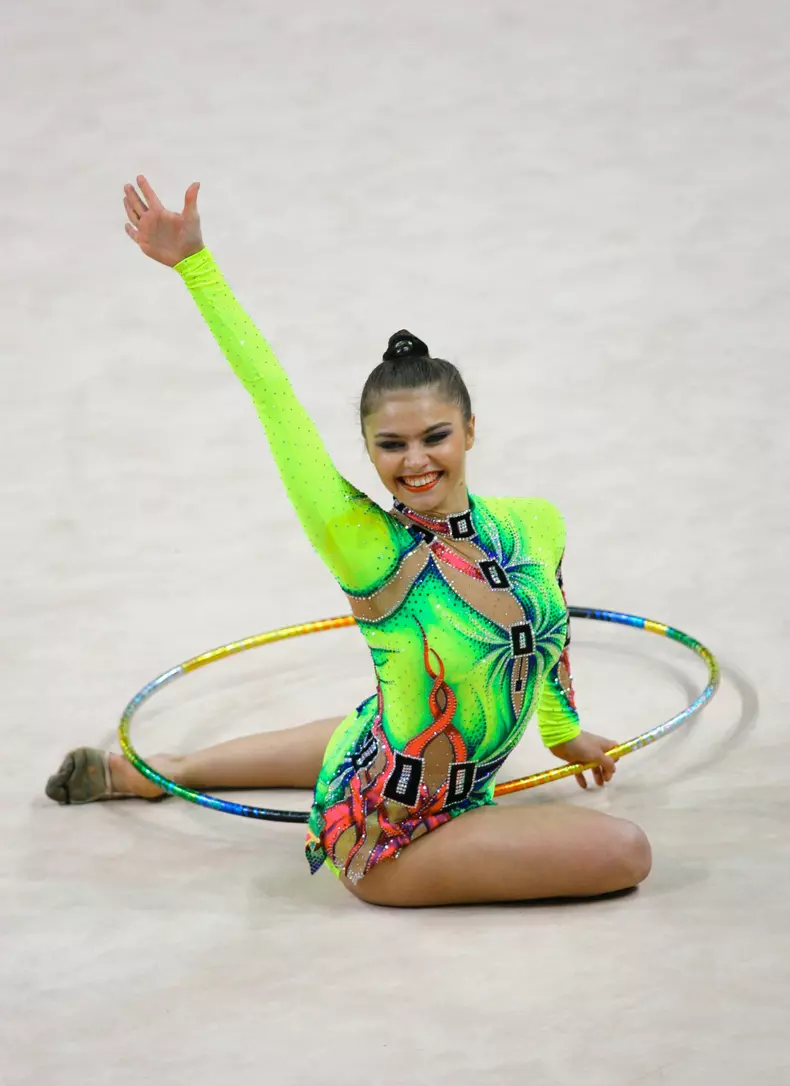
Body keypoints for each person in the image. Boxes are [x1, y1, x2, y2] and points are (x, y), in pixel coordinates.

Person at [46, 176, 652, 907]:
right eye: (391, 445)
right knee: (628, 850)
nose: (415, 461)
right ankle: (164, 771)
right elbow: (274, 398)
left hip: (395, 746)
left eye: (435, 436)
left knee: (372, 721)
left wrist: (562, 731)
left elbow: (547, 632)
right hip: (389, 834)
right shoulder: (363, 541)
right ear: (368, 451)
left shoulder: (536, 523)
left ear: (470, 430)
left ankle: (159, 770)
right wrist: (195, 267)